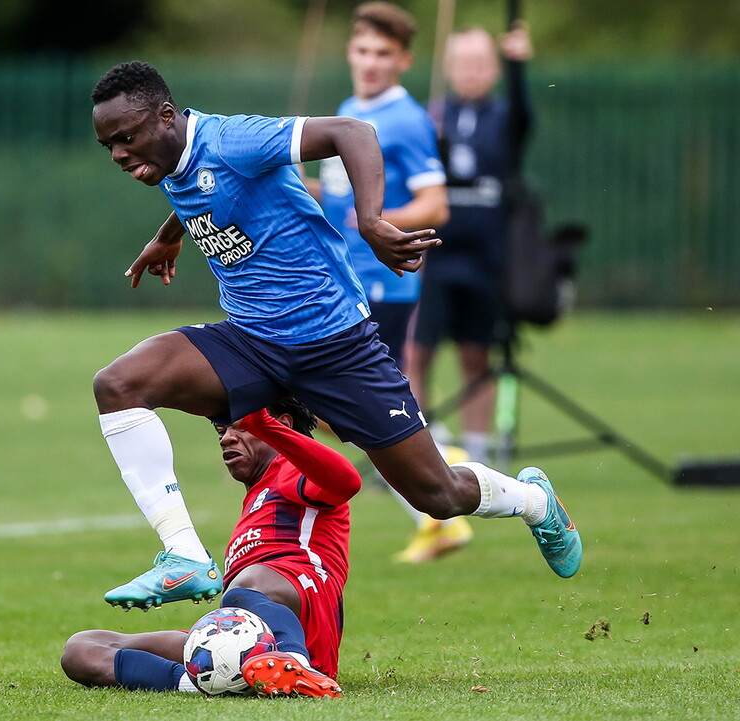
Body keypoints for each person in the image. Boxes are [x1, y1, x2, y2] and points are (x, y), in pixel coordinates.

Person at [89, 60, 581, 612]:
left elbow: (353, 132)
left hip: (335, 346)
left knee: (437, 495)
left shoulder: (234, 140)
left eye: (126, 138)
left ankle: (533, 500)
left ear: (164, 116)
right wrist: (169, 234)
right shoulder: (170, 158)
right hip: (252, 341)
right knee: (119, 385)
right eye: (109, 145)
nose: (119, 154)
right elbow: (207, 189)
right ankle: (183, 555)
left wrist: (371, 222)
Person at [306, 0, 473, 565]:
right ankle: (438, 490)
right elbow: (340, 197)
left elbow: (436, 204)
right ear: (349, 53)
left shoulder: (406, 120)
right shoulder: (348, 110)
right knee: (349, 404)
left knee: (347, 402)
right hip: (345, 277)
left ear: (404, 60)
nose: (370, 62)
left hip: (383, 281)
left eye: (383, 53)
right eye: (362, 50)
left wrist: (378, 220)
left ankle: (444, 474)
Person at [62, 398, 352, 698]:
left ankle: (294, 663)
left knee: (244, 586)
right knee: (82, 649)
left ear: (281, 426)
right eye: (221, 431)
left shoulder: (295, 467)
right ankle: (213, 682)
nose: (227, 438)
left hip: (303, 613)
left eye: (240, 428)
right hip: (238, 631)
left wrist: (272, 431)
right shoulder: (256, 497)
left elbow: (346, 482)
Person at [406, 23, 534, 466]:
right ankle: (417, 448)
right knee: (416, 351)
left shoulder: (504, 118)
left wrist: (519, 67)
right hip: (434, 255)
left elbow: (523, 119)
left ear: (494, 68)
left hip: (486, 259)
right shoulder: (432, 117)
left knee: (476, 354)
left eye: (480, 62)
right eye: (462, 63)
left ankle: (477, 454)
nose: (471, 71)